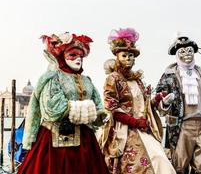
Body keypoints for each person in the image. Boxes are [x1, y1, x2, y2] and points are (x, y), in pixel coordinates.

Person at [18, 32, 108, 174]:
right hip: (54, 141)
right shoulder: (53, 78)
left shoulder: (86, 80)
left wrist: (100, 114)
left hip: (85, 141)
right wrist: (86, 109)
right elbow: (52, 108)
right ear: (62, 56)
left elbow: (98, 107)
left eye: (81, 56)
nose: (78, 59)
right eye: (73, 55)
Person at [100, 28, 176, 174]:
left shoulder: (137, 81)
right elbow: (112, 108)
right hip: (124, 132)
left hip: (143, 129)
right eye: (124, 55)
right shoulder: (113, 78)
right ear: (117, 57)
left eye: (131, 55)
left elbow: (144, 105)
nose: (128, 58)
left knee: (160, 160)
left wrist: (157, 99)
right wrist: (135, 123)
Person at [155, 35, 201, 174]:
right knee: (179, 165)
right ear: (177, 55)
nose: (187, 55)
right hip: (181, 126)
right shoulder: (169, 74)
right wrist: (164, 102)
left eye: (189, 51)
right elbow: (159, 97)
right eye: (182, 52)